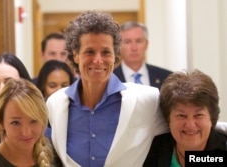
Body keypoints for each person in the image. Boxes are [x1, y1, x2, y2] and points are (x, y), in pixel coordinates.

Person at [46, 11, 168, 167]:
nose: (98, 60)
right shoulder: (55, 103)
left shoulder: (148, 99)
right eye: (90, 51)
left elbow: (185, 134)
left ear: (115, 55)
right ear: (75, 55)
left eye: (105, 52)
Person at [143, 70, 227, 167]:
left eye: (198, 115)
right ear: (168, 119)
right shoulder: (152, 151)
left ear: (212, 118)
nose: (190, 125)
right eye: (181, 116)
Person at [0, 78, 57, 167]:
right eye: (15, 123)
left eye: (33, 121)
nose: (26, 132)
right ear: (1, 123)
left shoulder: (55, 158)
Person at [113, 21, 172, 89]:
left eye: (138, 41)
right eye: (127, 42)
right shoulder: (109, 80)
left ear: (146, 44)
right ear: (119, 46)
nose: (134, 48)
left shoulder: (167, 78)